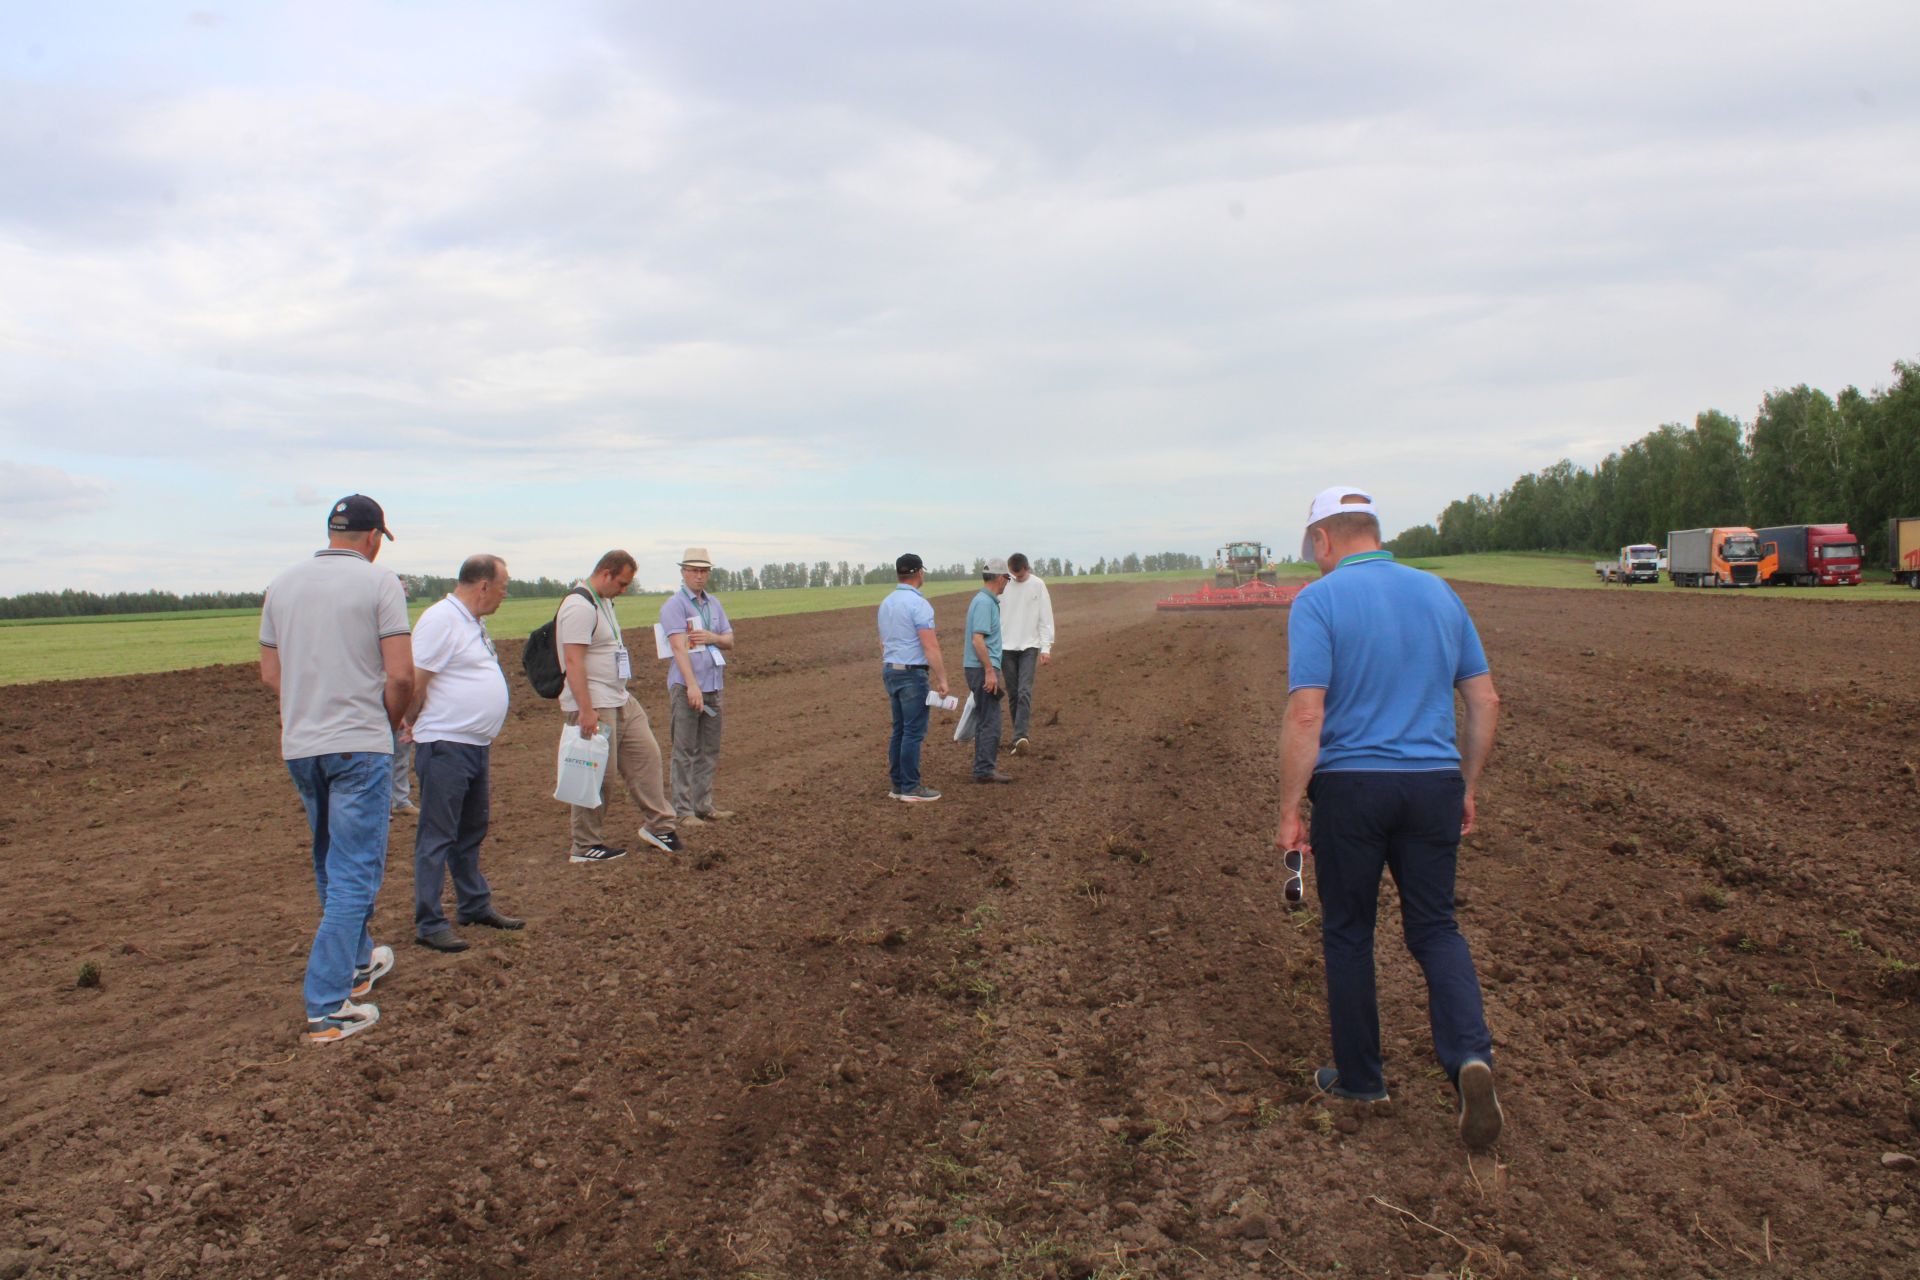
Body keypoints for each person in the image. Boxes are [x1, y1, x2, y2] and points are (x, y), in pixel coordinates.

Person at [1274, 485, 1504, 1149]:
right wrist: (1466, 784)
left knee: (1349, 930)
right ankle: (1468, 1056)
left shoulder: (1318, 600)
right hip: (1432, 783)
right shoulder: (1440, 593)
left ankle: (1362, 1078)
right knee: (1435, 926)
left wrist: (1291, 808)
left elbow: (1307, 712)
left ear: (1323, 540)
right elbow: (1484, 700)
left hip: (1353, 788)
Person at [259, 494, 412, 1046]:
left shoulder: (282, 585)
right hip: (359, 744)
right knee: (355, 870)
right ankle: (326, 1008)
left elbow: (272, 675)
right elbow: (400, 676)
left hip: (302, 745)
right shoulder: (380, 583)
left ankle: (356, 964)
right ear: (374, 538)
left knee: (329, 858)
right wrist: (387, 725)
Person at [404, 554, 524, 953]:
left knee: (471, 829)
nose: (506, 594)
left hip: (472, 744)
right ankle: (429, 920)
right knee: (437, 835)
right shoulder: (441, 619)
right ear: (484, 585)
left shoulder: (473, 621)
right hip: (445, 744)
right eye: (504, 586)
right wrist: (409, 721)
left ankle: (473, 904)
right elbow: (417, 680)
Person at [559, 550, 681, 862]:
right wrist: (586, 710)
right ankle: (584, 846)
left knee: (647, 756)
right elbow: (573, 662)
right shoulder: (578, 606)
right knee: (597, 773)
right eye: (622, 583)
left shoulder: (605, 602)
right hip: (594, 702)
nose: (625, 590)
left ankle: (660, 826)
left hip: (619, 697)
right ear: (607, 574)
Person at [659, 547, 736, 825]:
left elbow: (729, 640)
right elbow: (679, 649)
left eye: (704, 571)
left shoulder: (714, 604)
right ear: (683, 572)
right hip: (687, 687)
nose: (699, 576)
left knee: (709, 749)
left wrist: (711, 636)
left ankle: (704, 805)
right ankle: (683, 811)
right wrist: (692, 686)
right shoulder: (674, 606)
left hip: (713, 686)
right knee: (684, 750)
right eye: (694, 570)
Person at [877, 553, 950, 802]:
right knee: (912, 732)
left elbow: (882, 642)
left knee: (899, 730)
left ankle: (897, 785)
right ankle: (910, 787)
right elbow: (930, 646)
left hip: (890, 670)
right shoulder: (919, 605)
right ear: (919, 572)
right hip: (912, 674)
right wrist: (942, 679)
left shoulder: (886, 603)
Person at [963, 558, 1015, 784]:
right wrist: (990, 671)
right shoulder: (985, 603)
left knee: (987, 717)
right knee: (990, 719)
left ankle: (984, 767)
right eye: (1007, 579)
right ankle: (984, 769)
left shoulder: (984, 600)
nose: (1007, 584)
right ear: (1001, 577)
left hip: (979, 668)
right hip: (982, 669)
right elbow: (978, 640)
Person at [999, 552, 1055, 756]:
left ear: (1027, 569)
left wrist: (1046, 647)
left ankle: (1021, 736)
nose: (1017, 579)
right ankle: (1019, 738)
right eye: (1014, 575)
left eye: (1020, 576)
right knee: (1013, 693)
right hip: (1005, 647)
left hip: (1029, 646)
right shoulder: (1003, 584)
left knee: (1024, 691)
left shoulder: (1038, 585)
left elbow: (1045, 617)